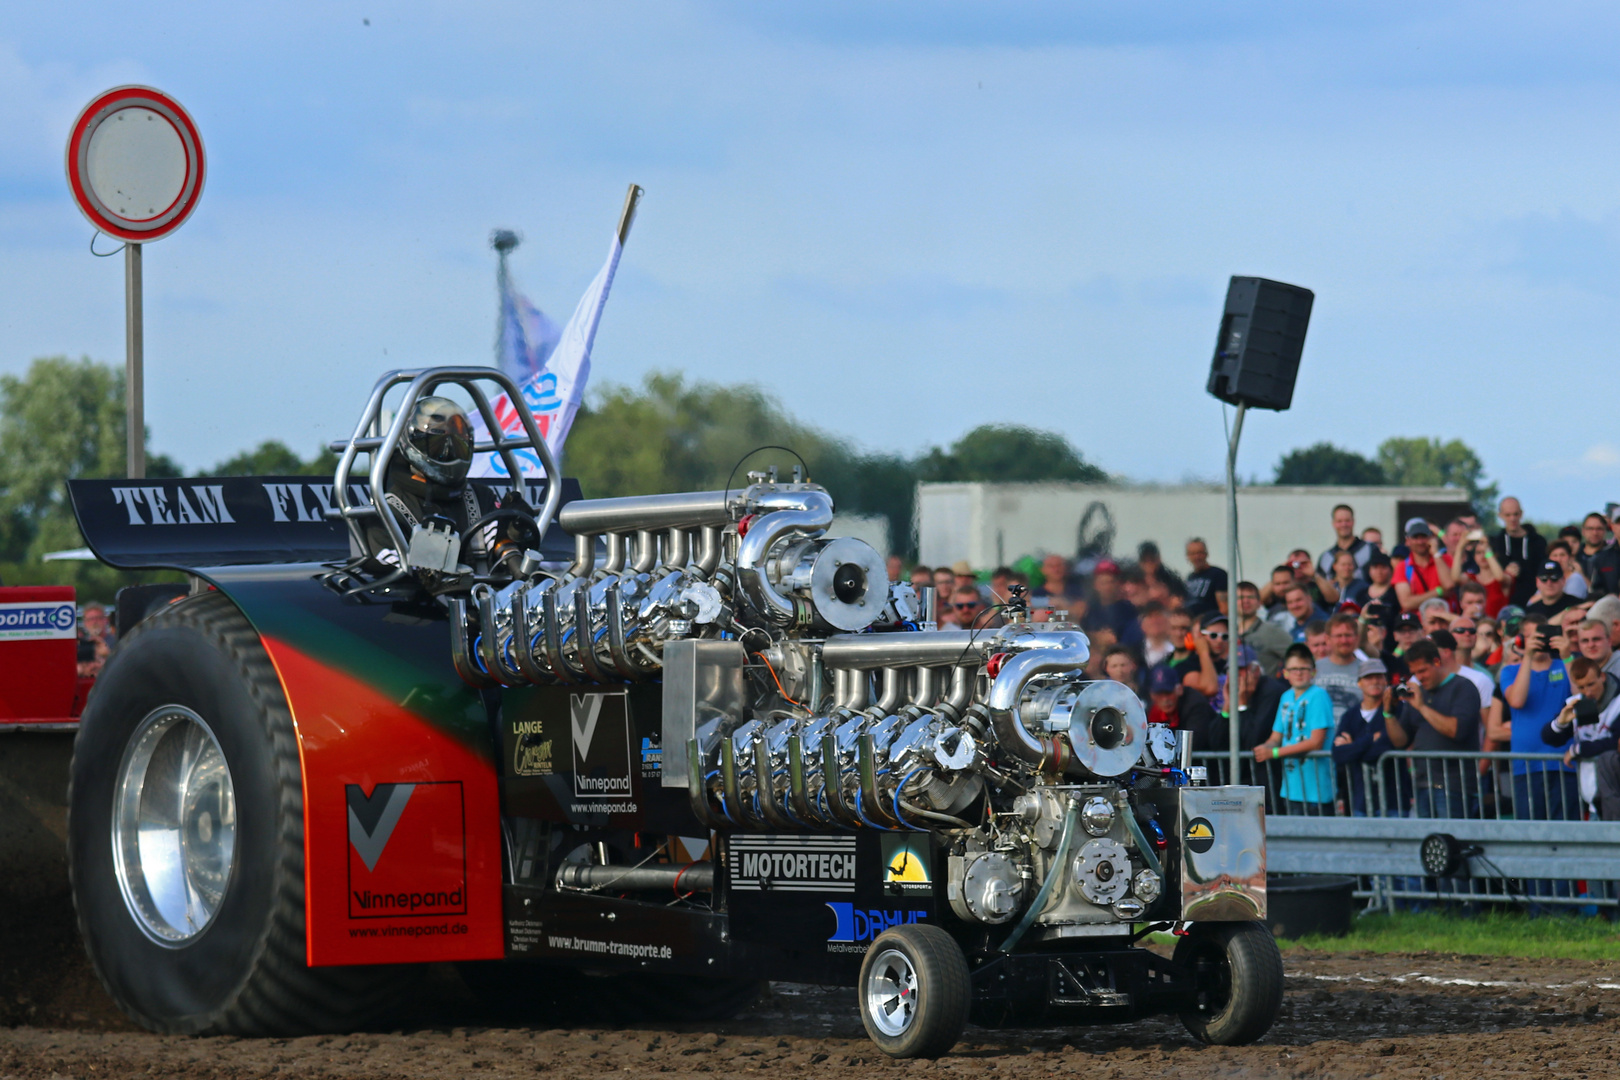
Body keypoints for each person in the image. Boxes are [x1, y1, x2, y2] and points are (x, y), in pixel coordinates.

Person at [1500, 614, 1582, 827]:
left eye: (1541, 636)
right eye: (1531, 636)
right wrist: (1527, 656)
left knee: (1567, 831)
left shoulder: (1566, 664)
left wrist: (1566, 657)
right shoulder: (1510, 671)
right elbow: (1517, 701)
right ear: (1521, 640)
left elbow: (1580, 698)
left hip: (1563, 763)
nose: (1537, 641)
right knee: (1529, 833)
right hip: (1525, 766)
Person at [1385, 639, 1481, 819]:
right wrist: (1388, 713)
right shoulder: (1419, 694)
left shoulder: (1463, 687)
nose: (1419, 677)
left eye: (1422, 670)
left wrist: (1422, 707)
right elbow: (1400, 741)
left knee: (1451, 841)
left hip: (1454, 785)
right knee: (1426, 842)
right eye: (1414, 673)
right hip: (1421, 784)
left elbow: (1456, 730)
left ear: (1437, 662)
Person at [1255, 644, 1337, 815]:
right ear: (1285, 673)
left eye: (1303, 668)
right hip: (1291, 787)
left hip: (1317, 790)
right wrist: (1266, 748)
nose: (1298, 673)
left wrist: (1275, 753)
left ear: (1313, 671)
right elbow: (1276, 737)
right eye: (1293, 669)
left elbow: (1316, 743)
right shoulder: (1286, 696)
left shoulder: (1319, 695)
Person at [1540, 655, 1620, 819]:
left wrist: (1578, 749)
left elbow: (1615, 743)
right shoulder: (1576, 703)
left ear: (1602, 677)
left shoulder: (1618, 702)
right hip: (1592, 799)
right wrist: (1560, 722)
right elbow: (1549, 738)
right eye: (1581, 687)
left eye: (1591, 684)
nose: (1588, 692)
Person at [1333, 659, 1398, 816]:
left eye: (1379, 676)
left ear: (1386, 681)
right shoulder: (1350, 715)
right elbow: (1338, 754)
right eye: (1369, 677)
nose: (1375, 681)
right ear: (1359, 683)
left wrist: (1353, 746)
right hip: (1359, 799)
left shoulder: (1396, 710)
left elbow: (1384, 748)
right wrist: (1369, 740)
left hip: (1392, 798)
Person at [1491, 496, 1547, 608]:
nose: (1512, 519)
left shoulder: (1537, 542)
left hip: (1533, 601)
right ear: (1500, 515)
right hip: (1506, 603)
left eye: (1515, 514)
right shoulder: (1496, 543)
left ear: (1521, 514)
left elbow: (1542, 570)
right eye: (1508, 515)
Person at [1145, 664, 1218, 747]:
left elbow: (1194, 742)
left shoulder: (1195, 705)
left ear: (1179, 689)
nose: (1165, 699)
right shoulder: (1151, 710)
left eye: (1168, 693)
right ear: (1151, 695)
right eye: (1159, 694)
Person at [1234, 581, 1290, 676]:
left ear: (1259, 603)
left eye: (1251, 597)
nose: (1246, 601)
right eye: (1240, 597)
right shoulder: (1228, 633)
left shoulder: (1271, 631)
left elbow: (1297, 655)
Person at [1083, 561, 1142, 645]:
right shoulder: (1090, 610)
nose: (1107, 587)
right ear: (1096, 585)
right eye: (1103, 583)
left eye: (1111, 582)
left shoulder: (1129, 609)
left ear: (1118, 584)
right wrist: (1096, 637)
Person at [1315, 613, 1363, 716]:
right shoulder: (1314, 669)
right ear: (1327, 639)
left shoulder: (1367, 671)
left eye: (1348, 635)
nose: (1344, 641)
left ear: (1357, 638)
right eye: (1338, 636)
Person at [1172, 611, 1228, 701]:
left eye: (1225, 636)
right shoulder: (1186, 667)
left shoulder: (1228, 665)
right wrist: (1203, 652)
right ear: (1201, 636)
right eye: (1213, 635)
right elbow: (1210, 688)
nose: (1219, 640)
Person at [1393, 518, 1445, 612]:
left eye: (1423, 537)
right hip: (1417, 622)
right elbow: (1406, 603)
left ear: (1431, 538)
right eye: (1416, 537)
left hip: (1443, 621)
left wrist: (1436, 552)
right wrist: (1438, 592)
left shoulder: (1443, 559)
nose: (1420, 542)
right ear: (1408, 541)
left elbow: (1449, 586)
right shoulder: (1402, 567)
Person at [1317, 503, 1373, 580]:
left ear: (1353, 521)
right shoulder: (1326, 557)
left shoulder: (1370, 550)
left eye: (1347, 521)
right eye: (1339, 521)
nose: (1344, 524)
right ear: (1333, 524)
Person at [1577, 512, 1620, 598]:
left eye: (1599, 529)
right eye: (1590, 529)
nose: (1595, 533)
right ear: (1612, 526)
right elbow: (1596, 589)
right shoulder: (1603, 558)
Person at [1182, 538, 1228, 618]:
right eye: (1192, 553)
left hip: (1209, 625)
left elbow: (1224, 609)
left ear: (1206, 554)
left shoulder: (1218, 574)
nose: (1196, 557)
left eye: (1200, 553)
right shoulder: (1190, 578)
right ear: (1188, 556)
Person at [1138, 601, 1176, 670]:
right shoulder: (1135, 653)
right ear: (1142, 624)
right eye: (1150, 616)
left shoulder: (1178, 648)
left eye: (1158, 615)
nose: (1154, 621)